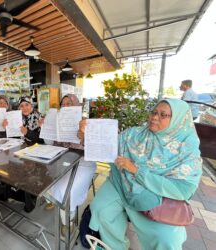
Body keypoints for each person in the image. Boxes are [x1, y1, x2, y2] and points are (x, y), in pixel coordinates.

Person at [81, 99, 202, 249]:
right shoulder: (135, 134)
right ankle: (114, 246)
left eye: (163, 115)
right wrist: (87, 136)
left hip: (154, 195)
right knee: (100, 209)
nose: (154, 117)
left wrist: (137, 171)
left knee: (167, 238)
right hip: (121, 182)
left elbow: (184, 189)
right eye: (154, 112)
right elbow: (107, 148)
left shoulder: (187, 148)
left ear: (178, 120)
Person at [44, 94, 96, 235]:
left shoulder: (86, 122)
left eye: (69, 103)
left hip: (83, 161)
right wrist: (46, 128)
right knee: (42, 175)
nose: (66, 106)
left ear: (77, 105)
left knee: (65, 189)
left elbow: (96, 148)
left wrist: (84, 135)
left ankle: (68, 219)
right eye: (63, 104)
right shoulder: (57, 121)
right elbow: (49, 143)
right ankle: (55, 199)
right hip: (60, 158)